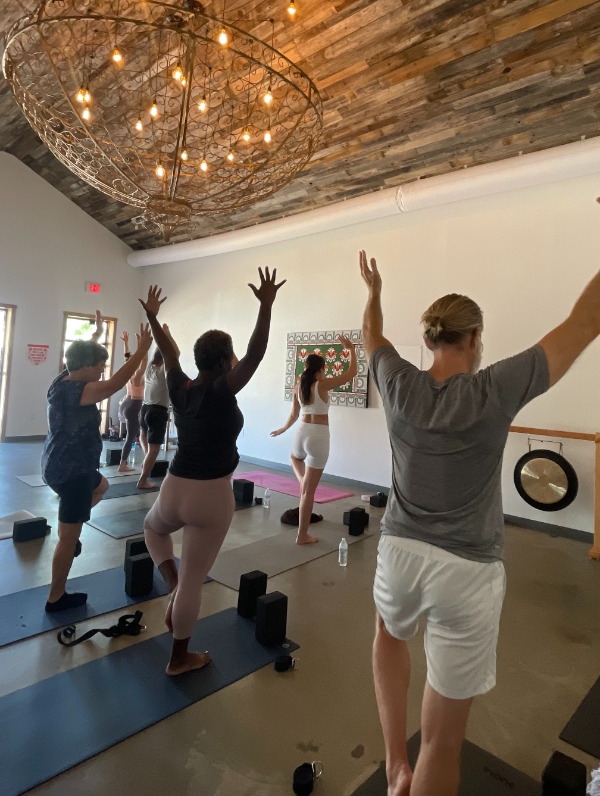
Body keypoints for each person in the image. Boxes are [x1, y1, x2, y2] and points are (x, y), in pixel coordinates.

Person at [359, 248, 600, 796]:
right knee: (443, 745)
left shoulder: (397, 381)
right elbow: (587, 320)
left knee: (388, 636)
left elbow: (370, 333)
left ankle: (396, 765)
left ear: (428, 340)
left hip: (398, 555)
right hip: (467, 572)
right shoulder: (496, 387)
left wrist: (373, 292)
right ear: (474, 340)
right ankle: (413, 772)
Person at [140, 266, 285, 676]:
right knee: (192, 582)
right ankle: (178, 657)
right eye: (232, 356)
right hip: (210, 495)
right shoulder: (221, 390)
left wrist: (152, 316)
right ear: (224, 362)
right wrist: (266, 308)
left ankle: (171, 582)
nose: (237, 361)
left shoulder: (180, 388)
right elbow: (255, 355)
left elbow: (169, 353)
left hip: (174, 487)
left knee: (154, 530)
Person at [41, 312, 152, 612]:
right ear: (86, 366)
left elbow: (81, 356)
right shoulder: (79, 390)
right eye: (100, 364)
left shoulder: (62, 378)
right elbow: (117, 382)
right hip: (72, 471)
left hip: (61, 465)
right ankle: (56, 597)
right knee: (68, 536)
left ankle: (71, 532)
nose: (103, 369)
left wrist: (97, 334)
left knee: (102, 486)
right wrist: (141, 351)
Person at [270, 335, 357, 545]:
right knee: (309, 491)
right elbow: (351, 373)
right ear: (321, 369)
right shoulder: (322, 385)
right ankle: (302, 535)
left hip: (301, 431)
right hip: (318, 435)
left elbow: (293, 414)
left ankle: (303, 482)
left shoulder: (299, 386)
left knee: (294, 458)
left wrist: (283, 428)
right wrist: (351, 350)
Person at [137, 325, 179, 489]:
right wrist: (168, 335)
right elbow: (175, 353)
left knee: (143, 438)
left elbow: (161, 350)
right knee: (154, 449)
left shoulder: (150, 368)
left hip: (144, 408)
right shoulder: (163, 370)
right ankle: (142, 480)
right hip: (157, 411)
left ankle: (146, 462)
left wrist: (161, 337)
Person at [117, 330, 147, 472]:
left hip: (126, 403)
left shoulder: (128, 371)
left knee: (134, 434)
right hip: (133, 406)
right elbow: (144, 362)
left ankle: (128, 462)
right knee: (131, 436)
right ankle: (122, 465)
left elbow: (126, 357)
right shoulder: (137, 376)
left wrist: (126, 343)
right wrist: (143, 348)